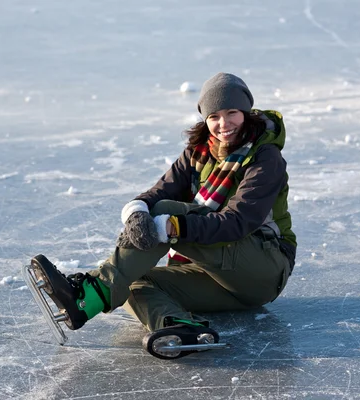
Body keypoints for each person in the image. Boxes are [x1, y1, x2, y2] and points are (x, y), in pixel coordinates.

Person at [31, 72, 296, 359]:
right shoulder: (198, 153)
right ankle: (177, 326)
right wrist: (137, 213)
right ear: (205, 119)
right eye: (214, 116)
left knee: (166, 214)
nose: (223, 124)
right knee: (132, 279)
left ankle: (90, 295)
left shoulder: (265, 157)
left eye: (232, 113)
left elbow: (238, 222)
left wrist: (171, 226)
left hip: (263, 268)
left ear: (246, 112)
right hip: (218, 277)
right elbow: (157, 193)